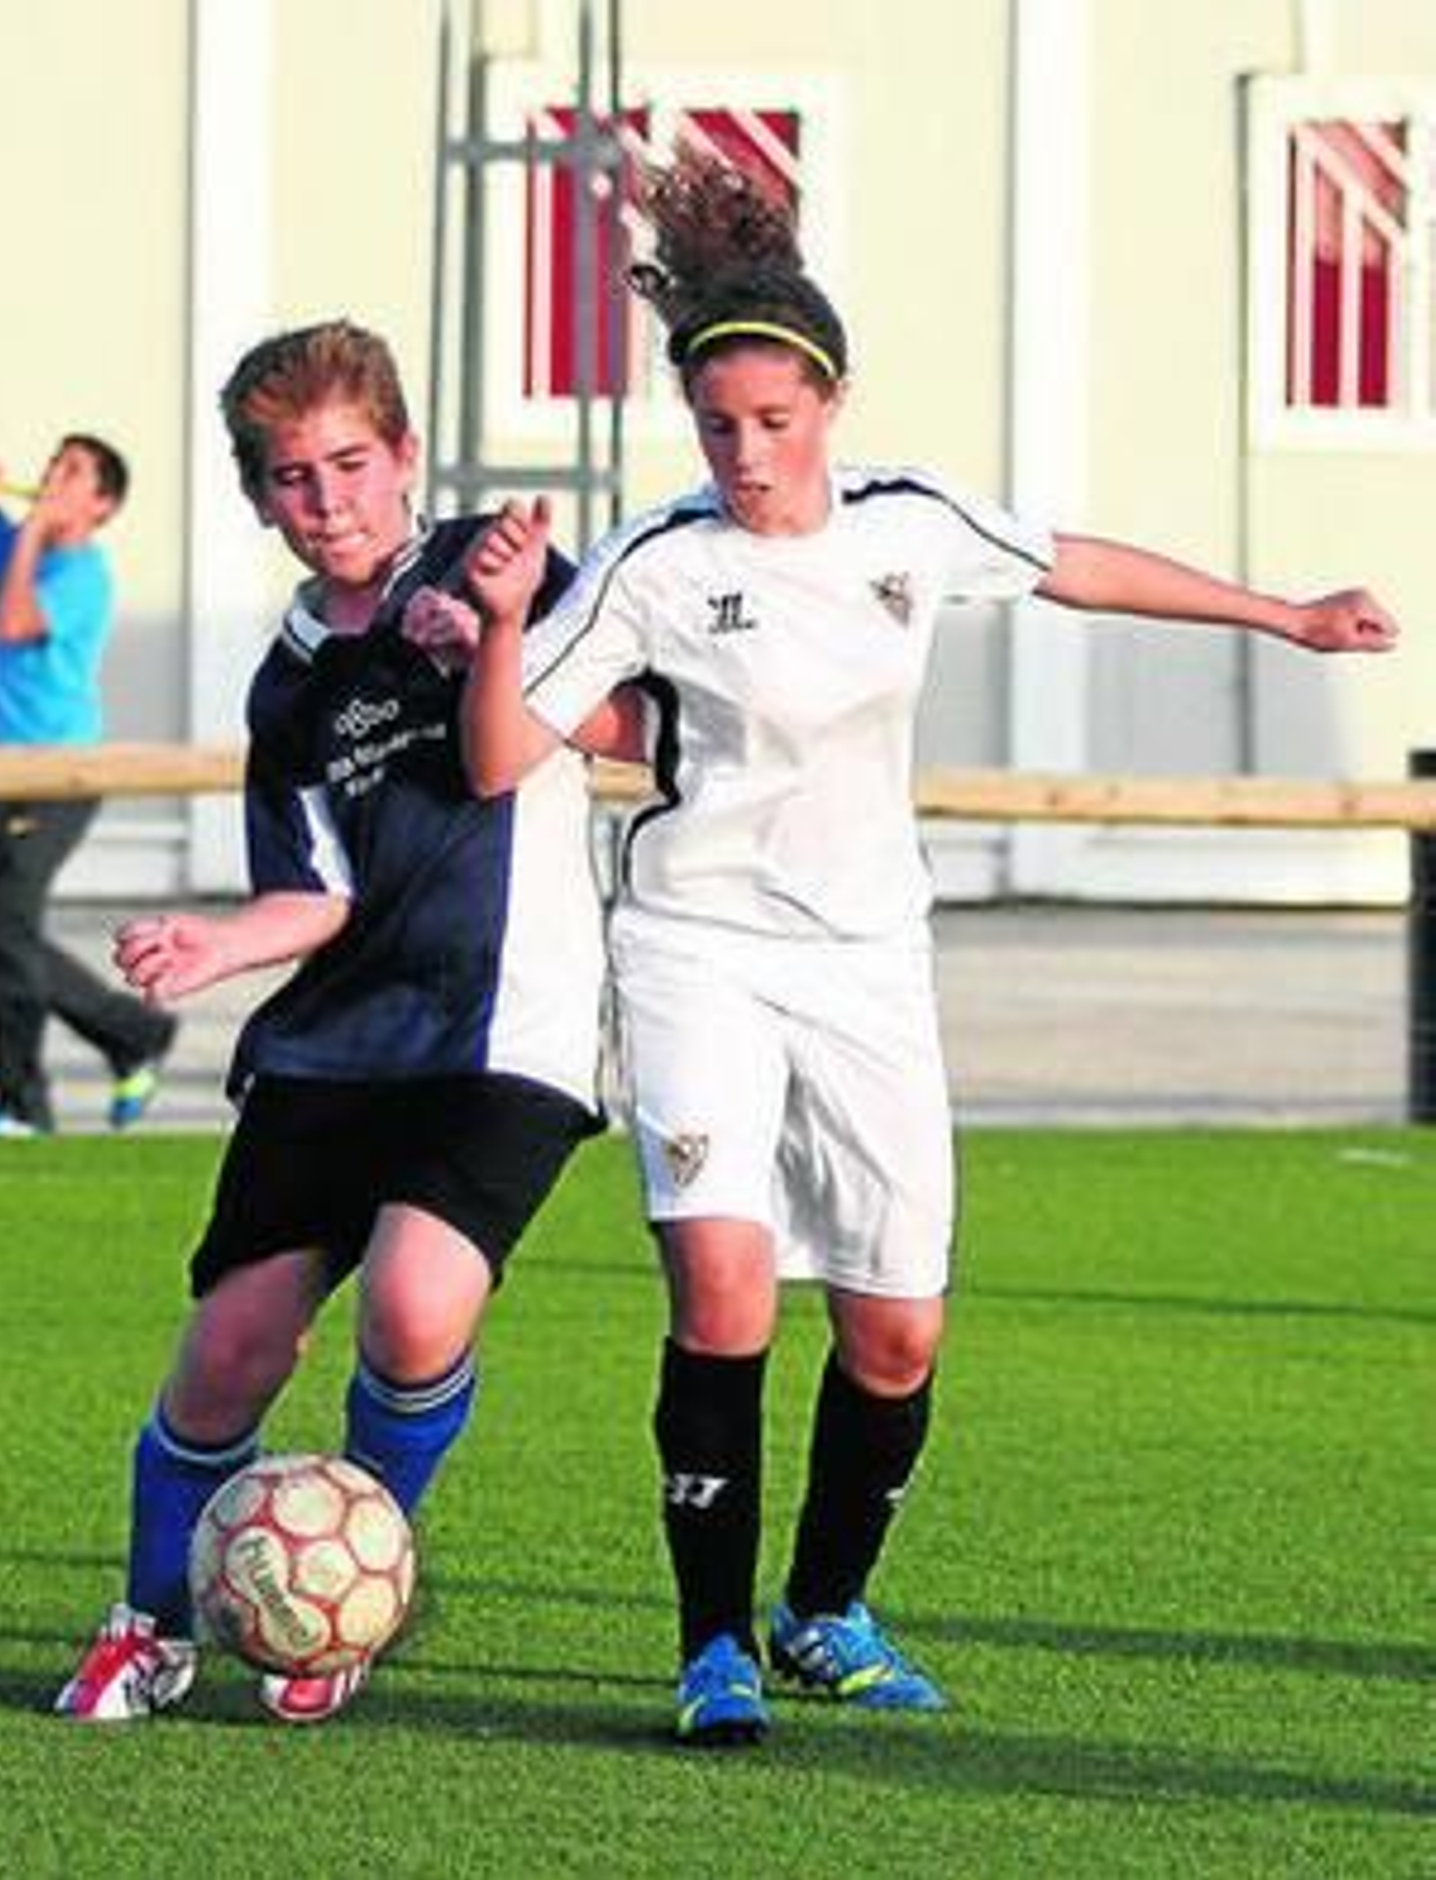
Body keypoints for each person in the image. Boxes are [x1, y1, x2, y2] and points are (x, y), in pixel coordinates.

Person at [457, 147, 1402, 1747]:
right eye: (718, 428)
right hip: (698, 947)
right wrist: (494, 621)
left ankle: (826, 1609)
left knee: (897, 1327)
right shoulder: (655, 561)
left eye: (774, 422)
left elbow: (1077, 566)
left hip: (870, 958)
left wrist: (1286, 615)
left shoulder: (910, 520)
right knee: (727, 1283)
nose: (746, 455)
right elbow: (499, 756)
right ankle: (714, 1644)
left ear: (830, 407)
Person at [53, 318, 619, 1725]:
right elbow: (313, 893)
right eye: (296, 478)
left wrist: (497, 633)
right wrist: (213, 940)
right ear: (258, 499)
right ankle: (150, 1621)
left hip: (505, 1031)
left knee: (419, 1300)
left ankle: (356, 1575)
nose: (332, 500)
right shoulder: (293, 678)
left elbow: (633, 724)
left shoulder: (503, 558)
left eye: (353, 463)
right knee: (233, 1346)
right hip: (336, 1042)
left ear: (408, 454)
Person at [0, 434, 176, 1136]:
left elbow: (10, 623)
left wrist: (28, 528)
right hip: (9, 768)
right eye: (52, 464)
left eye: (71, 473)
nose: (49, 478)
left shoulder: (81, 573)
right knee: (0, 923)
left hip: (56, 772)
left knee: (3, 925)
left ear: (101, 504)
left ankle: (21, 1103)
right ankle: (130, 1035)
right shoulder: (24, 552)